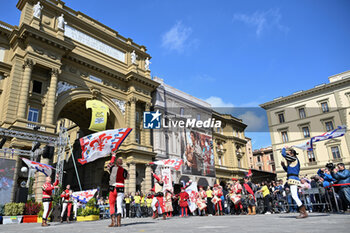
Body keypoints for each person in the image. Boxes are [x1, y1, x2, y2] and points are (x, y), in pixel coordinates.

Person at [281, 147, 307, 218]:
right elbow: (289, 171)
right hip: (292, 177)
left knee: (294, 195)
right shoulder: (293, 161)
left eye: (288, 153)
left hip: (293, 178)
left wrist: (284, 149)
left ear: (292, 154)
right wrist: (283, 166)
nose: (287, 153)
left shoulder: (294, 158)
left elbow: (283, 154)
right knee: (294, 195)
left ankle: (303, 211)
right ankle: (303, 211)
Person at [107, 154, 128, 227]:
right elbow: (127, 177)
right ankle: (119, 222)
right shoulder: (124, 170)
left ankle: (113, 222)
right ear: (121, 163)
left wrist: (113, 156)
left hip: (113, 188)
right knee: (119, 205)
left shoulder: (112, 168)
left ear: (116, 163)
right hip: (121, 188)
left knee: (112, 205)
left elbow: (109, 165)